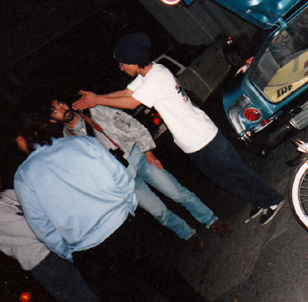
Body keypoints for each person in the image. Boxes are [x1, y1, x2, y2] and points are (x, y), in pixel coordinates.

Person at [73, 32, 284, 225]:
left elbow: (131, 103)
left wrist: (96, 100)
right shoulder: (148, 75)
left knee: (236, 172)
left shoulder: (157, 77)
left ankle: (272, 199)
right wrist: (96, 98)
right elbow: (126, 94)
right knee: (224, 179)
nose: (121, 68)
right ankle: (259, 200)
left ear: (132, 60)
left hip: (204, 137)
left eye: (121, 64)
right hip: (191, 143)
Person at [13, 113, 205, 302]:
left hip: (90, 253)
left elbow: (42, 227)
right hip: (125, 229)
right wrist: (127, 211)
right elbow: (122, 178)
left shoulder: (24, 177)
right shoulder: (81, 143)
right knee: (172, 284)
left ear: (22, 138)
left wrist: (71, 252)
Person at [48, 99, 231, 250]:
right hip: (123, 178)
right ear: (52, 120)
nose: (62, 109)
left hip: (139, 158)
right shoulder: (68, 142)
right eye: (55, 111)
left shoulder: (94, 111)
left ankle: (212, 221)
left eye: (61, 103)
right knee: (159, 212)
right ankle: (188, 235)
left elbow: (130, 124)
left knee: (177, 193)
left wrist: (147, 149)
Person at [0, 173, 99, 301]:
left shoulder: (9, 195)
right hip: (46, 262)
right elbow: (35, 230)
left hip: (61, 249)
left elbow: (44, 201)